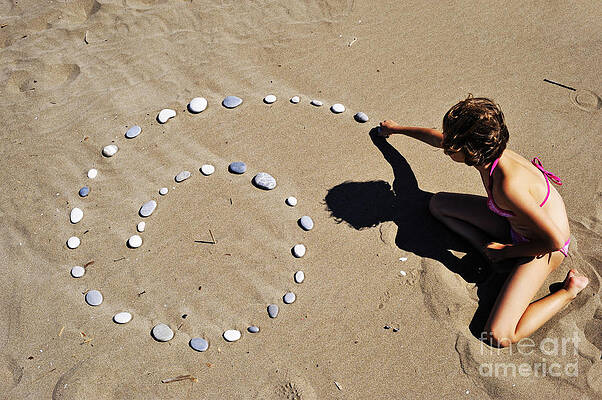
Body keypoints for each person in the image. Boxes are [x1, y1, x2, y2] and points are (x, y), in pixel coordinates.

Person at [377, 95, 589, 347]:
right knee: (438, 204)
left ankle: (569, 291)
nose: (446, 148)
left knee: (499, 336)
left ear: (470, 150)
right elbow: (436, 140)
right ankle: (491, 257)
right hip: (514, 224)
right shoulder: (488, 149)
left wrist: (508, 251)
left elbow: (553, 241)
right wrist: (396, 130)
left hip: (542, 247)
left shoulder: (508, 186)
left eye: (452, 146)